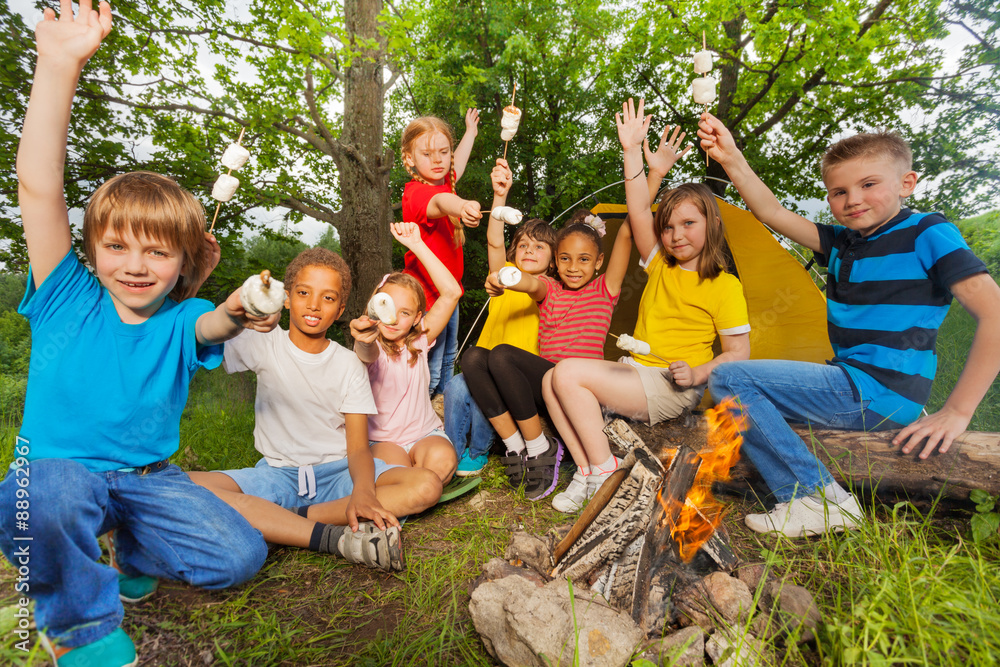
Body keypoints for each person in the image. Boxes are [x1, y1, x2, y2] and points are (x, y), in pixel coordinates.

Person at [0, 4, 276, 665]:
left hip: (148, 479)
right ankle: (79, 628)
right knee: (56, 498)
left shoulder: (183, 318)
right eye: (118, 245)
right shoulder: (67, 295)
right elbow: (39, 187)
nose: (135, 263)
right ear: (91, 251)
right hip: (51, 480)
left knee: (240, 555)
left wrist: (239, 306)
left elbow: (213, 321)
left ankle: (133, 547)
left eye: (157, 252)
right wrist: (59, 62)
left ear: (184, 262)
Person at [698, 111, 1000, 537]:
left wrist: (957, 411)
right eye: (839, 191)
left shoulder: (926, 231)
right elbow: (771, 212)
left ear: (906, 183)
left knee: (729, 378)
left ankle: (815, 498)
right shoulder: (842, 242)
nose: (852, 199)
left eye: (868, 184)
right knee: (745, 392)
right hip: (853, 383)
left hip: (878, 390)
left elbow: (994, 313)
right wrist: (730, 158)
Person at [544, 100, 751, 513]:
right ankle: (588, 471)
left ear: (710, 224)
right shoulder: (660, 264)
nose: (675, 235)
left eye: (688, 224)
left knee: (567, 373)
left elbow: (738, 353)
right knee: (551, 380)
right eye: (669, 227)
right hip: (638, 371)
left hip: (673, 384)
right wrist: (632, 150)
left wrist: (697, 373)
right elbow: (638, 208)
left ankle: (604, 471)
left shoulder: (723, 285)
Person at [190, 248, 445, 572]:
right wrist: (203, 284)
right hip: (277, 477)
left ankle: (285, 522)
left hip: (338, 477)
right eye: (303, 293)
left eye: (327, 298)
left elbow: (357, 448)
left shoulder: (348, 365)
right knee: (185, 484)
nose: (313, 304)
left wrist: (364, 493)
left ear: (340, 309)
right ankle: (312, 526)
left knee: (426, 485)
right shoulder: (262, 343)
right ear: (286, 298)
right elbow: (196, 335)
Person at [465, 206, 633, 500]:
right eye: (565, 259)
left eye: (584, 260)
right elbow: (527, 282)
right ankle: (519, 445)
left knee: (503, 354)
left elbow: (629, 233)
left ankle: (543, 447)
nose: (573, 267)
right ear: (556, 260)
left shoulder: (604, 290)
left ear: (599, 262)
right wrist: (503, 277)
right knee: (474, 357)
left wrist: (651, 177)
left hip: (582, 389)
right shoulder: (549, 289)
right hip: (546, 385)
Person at [445, 158, 557, 476]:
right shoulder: (503, 275)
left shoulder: (547, 287)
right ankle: (452, 455)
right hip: (479, 367)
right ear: (513, 253)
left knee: (488, 391)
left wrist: (503, 279)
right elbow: (495, 240)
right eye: (523, 245)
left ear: (551, 261)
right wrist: (500, 198)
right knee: (455, 389)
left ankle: (481, 451)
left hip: (516, 378)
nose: (529, 250)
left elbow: (533, 287)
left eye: (539, 247)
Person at [351, 223, 462, 484]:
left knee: (443, 464)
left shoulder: (421, 341)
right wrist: (364, 340)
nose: (393, 319)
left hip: (425, 433)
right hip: (383, 439)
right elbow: (365, 352)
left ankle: (418, 486)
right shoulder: (370, 343)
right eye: (387, 307)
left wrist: (417, 245)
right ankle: (410, 488)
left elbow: (452, 292)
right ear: (374, 306)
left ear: (416, 319)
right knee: (400, 478)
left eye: (405, 313)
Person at [400, 111, 483, 398]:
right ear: (409, 158)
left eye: (443, 152)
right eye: (427, 153)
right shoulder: (417, 193)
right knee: (430, 371)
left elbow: (455, 165)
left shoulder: (442, 178)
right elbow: (441, 202)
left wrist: (470, 132)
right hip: (426, 299)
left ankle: (443, 421)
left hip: (450, 294)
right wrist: (462, 206)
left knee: (449, 360)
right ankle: (417, 423)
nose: (437, 160)